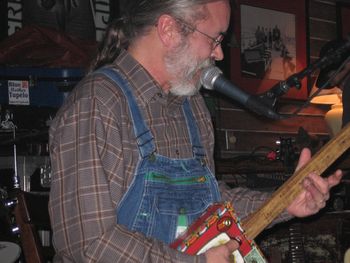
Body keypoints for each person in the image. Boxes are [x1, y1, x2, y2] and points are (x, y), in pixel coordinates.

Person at [48, 1, 343, 262]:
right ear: (169, 30)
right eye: (215, 38)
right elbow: (87, 245)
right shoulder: (99, 103)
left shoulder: (192, 107)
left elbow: (211, 210)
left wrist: (285, 202)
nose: (219, 54)